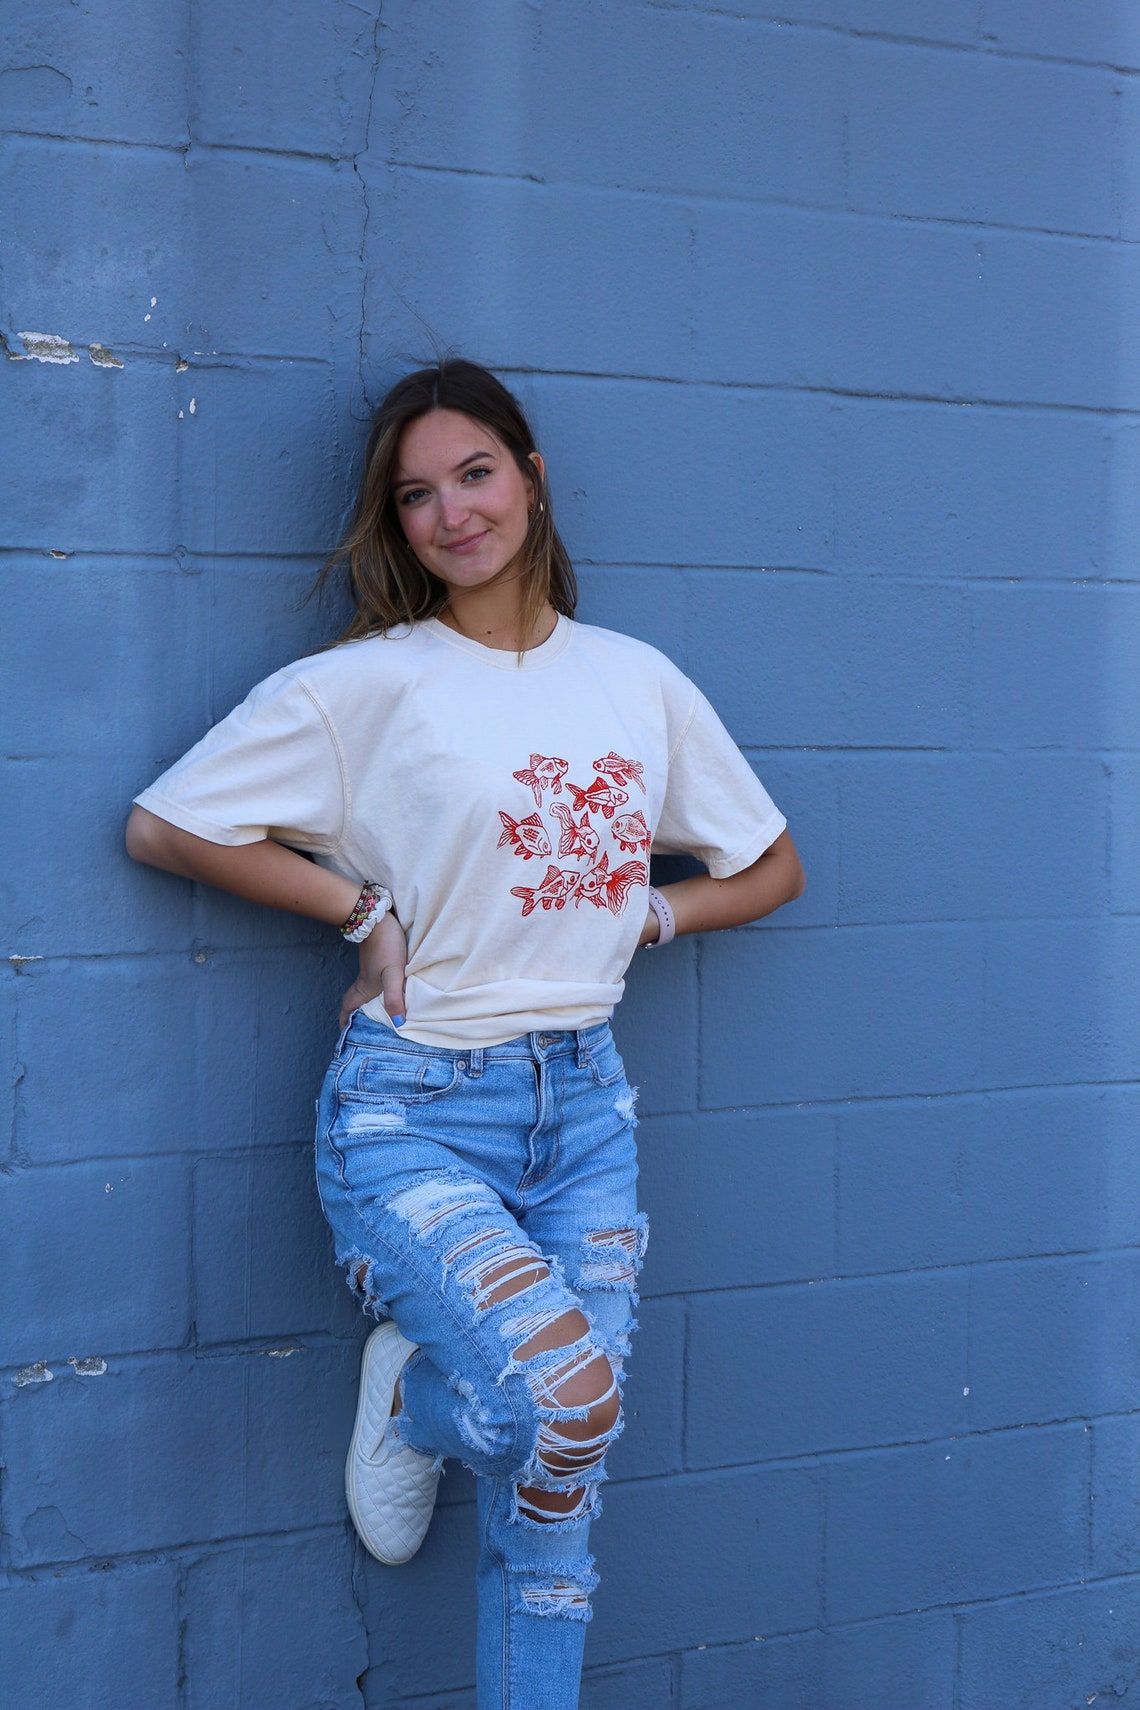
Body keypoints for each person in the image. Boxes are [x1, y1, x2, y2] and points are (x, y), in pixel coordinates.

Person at [125, 356, 805, 1709]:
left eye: (476, 474)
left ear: (533, 478)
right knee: (564, 1403)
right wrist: (359, 904)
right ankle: (419, 1396)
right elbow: (168, 822)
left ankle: (424, 1393)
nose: (453, 514)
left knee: (559, 1500)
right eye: (419, 494)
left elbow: (771, 862)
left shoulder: (635, 680)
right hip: (414, 1109)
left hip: (586, 1115)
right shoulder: (372, 685)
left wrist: (646, 919)